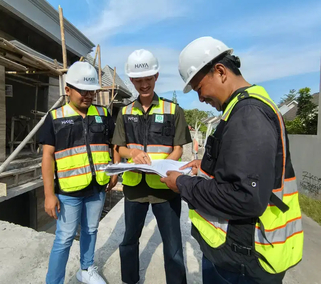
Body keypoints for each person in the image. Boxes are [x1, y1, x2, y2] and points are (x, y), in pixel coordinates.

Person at [160, 37, 303, 284]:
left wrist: (182, 184)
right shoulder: (239, 108)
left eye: (199, 88)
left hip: (244, 261)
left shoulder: (248, 114)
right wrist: (206, 167)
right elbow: (241, 171)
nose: (201, 98)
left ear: (220, 71)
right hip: (238, 255)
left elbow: (245, 196)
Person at [112, 49, 191, 284]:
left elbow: (178, 148)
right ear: (132, 81)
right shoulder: (125, 112)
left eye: (148, 79)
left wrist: (165, 166)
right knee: (129, 239)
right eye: (138, 80)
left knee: (173, 244)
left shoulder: (172, 110)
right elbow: (119, 148)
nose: (143, 84)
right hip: (135, 187)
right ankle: (130, 279)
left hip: (165, 187)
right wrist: (132, 152)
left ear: (156, 77)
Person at [40, 61, 118, 284]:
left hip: (97, 188)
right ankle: (54, 281)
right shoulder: (55, 118)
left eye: (91, 91)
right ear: (68, 90)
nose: (88, 95)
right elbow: (47, 157)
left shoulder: (103, 114)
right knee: (64, 238)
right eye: (82, 90)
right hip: (68, 191)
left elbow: (114, 144)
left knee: (91, 230)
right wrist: (48, 194)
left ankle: (86, 269)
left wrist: (114, 170)